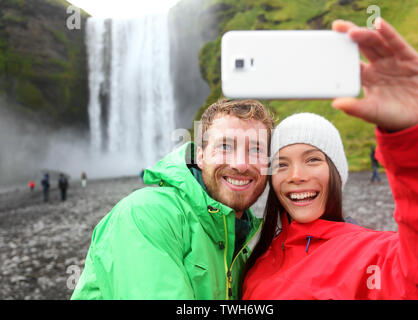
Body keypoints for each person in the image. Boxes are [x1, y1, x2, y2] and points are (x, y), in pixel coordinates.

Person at [242, 17, 418, 299]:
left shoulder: (374, 255)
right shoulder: (255, 264)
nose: (295, 175)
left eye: (313, 159)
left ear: (337, 172)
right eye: (281, 164)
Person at [71, 99, 274, 299]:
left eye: (256, 150)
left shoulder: (245, 245)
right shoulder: (145, 215)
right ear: (200, 157)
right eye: (225, 147)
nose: (240, 164)